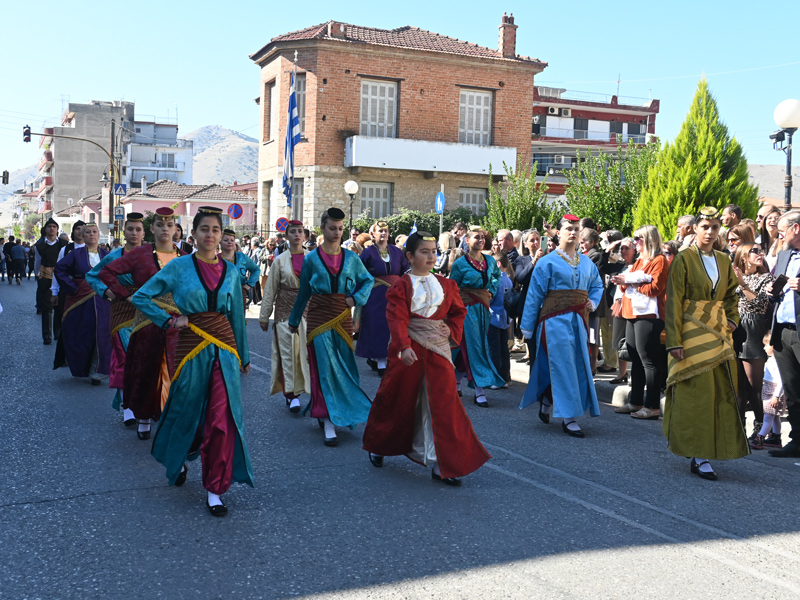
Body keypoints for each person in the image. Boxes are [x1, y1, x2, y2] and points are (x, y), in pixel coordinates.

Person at [130, 206, 252, 517]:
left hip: (225, 350)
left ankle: (215, 488)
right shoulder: (179, 266)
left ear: (222, 235)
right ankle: (180, 455)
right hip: (191, 348)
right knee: (187, 412)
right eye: (204, 229)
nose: (210, 235)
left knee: (222, 417)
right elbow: (142, 296)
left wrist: (244, 355)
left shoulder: (232, 272)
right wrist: (169, 320)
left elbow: (237, 316)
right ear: (193, 233)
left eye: (215, 230)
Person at [362, 231, 489, 485]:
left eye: (433, 252)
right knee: (397, 399)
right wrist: (403, 346)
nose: (431, 256)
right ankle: (380, 444)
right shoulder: (401, 286)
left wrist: (450, 330)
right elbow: (397, 318)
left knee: (444, 404)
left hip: (438, 351)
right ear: (410, 256)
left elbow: (458, 311)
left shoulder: (446, 285)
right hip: (409, 351)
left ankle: (443, 463)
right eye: (424, 252)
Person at [664, 206, 748, 480]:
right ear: (695, 229)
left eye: (715, 228)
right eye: (705, 227)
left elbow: (732, 295)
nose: (710, 232)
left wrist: (732, 320)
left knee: (719, 392)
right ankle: (698, 453)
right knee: (696, 394)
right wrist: (674, 341)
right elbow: (674, 301)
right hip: (690, 333)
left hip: (719, 333)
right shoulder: (684, 258)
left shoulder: (724, 259)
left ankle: (711, 449)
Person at [288, 207, 374, 446]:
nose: (337, 232)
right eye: (332, 228)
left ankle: (343, 410)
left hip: (343, 317)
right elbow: (304, 292)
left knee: (345, 367)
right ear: (322, 229)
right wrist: (294, 320)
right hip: (318, 318)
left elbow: (367, 280)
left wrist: (355, 299)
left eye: (340, 228)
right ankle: (327, 419)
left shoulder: (352, 258)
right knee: (324, 368)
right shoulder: (311, 259)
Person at [98, 207, 186, 440]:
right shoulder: (140, 254)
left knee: (175, 370)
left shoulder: (185, 257)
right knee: (146, 367)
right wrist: (124, 294)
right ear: (152, 229)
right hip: (146, 319)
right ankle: (144, 417)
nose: (165, 229)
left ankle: (170, 415)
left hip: (178, 321)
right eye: (160, 225)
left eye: (170, 225)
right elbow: (106, 272)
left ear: (176, 229)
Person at [520, 215, 604, 437]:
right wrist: (527, 326)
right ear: (558, 233)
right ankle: (569, 416)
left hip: (578, 321)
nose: (573, 232)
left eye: (576, 229)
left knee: (574, 365)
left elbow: (597, 285)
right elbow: (534, 295)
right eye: (569, 228)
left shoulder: (586, 262)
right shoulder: (547, 262)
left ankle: (547, 400)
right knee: (563, 364)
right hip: (553, 322)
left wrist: (593, 301)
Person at [86, 212, 145, 425]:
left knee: (144, 359)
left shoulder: (152, 255)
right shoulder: (114, 256)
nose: (134, 233)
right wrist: (107, 292)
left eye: (138, 229)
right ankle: (127, 407)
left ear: (144, 233)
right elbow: (92, 275)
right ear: (124, 232)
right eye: (130, 229)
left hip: (147, 311)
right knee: (123, 357)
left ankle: (145, 402)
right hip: (121, 311)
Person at [611, 225, 668, 420]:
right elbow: (625, 286)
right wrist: (627, 282)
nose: (635, 242)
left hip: (649, 316)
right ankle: (635, 401)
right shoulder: (639, 261)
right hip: (632, 314)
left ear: (649, 239)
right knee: (635, 358)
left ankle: (652, 406)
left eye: (638, 238)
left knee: (649, 361)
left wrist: (633, 283)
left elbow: (655, 288)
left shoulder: (659, 260)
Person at [449, 227, 506, 406]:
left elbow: (496, 276)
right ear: (467, 240)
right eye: (476, 237)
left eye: (482, 237)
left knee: (471, 345)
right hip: (466, 310)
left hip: (483, 308)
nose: (481, 240)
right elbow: (452, 287)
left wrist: (491, 291)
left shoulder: (490, 260)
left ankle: (457, 382)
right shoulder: (460, 264)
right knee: (475, 346)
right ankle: (479, 389)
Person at [259, 220, 310, 413]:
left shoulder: (312, 258)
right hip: (284, 312)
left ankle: (308, 389)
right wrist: (264, 316)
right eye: (293, 231)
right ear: (287, 236)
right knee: (288, 353)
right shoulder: (280, 260)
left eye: (300, 231)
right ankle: (291, 395)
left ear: (304, 235)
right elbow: (270, 289)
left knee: (305, 354)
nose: (297, 235)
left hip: (308, 312)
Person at [54, 223, 111, 385]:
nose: (91, 234)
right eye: (88, 232)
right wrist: (72, 287)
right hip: (80, 300)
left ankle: (97, 371)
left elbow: (117, 273)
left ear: (99, 235)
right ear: (83, 236)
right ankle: (81, 367)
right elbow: (59, 269)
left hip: (103, 300)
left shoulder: (107, 255)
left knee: (102, 334)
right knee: (81, 333)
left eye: (94, 232)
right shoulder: (75, 254)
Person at [356, 220, 410, 376]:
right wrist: (359, 295)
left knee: (392, 326)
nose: (384, 233)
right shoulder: (367, 253)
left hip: (394, 295)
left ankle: (383, 359)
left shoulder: (396, 251)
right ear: (373, 234)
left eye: (386, 230)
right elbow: (359, 274)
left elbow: (405, 270)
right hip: (375, 296)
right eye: (380, 231)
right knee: (377, 327)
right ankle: (380, 362)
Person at [766, 210, 800, 458]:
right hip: (783, 330)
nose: (779, 236)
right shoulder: (785, 254)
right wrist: (772, 291)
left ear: (796, 228)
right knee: (792, 389)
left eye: (782, 231)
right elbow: (778, 289)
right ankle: (797, 440)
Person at [731, 242, 772, 440]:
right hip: (735, 329)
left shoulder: (766, 277)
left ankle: (760, 429)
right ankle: (738, 430)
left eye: (760, 250)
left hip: (754, 329)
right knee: (739, 387)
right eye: (754, 251)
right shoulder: (734, 277)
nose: (760, 253)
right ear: (743, 256)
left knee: (754, 387)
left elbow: (759, 302)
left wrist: (742, 283)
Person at [51, 221, 86, 369]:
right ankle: (65, 357)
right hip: (69, 291)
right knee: (68, 325)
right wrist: (54, 292)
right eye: (77, 229)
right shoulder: (65, 250)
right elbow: (58, 271)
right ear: (73, 231)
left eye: (83, 229)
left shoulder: (94, 250)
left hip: (88, 292)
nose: (80, 231)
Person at [750, 333, 786, 450]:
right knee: (775, 417)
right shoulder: (772, 360)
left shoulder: (778, 362)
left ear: (774, 347)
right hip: (770, 390)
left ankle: (760, 438)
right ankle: (776, 437)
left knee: (768, 417)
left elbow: (781, 380)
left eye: (767, 345)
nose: (764, 348)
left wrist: (776, 396)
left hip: (773, 392)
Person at [34, 219, 67, 344]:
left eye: (54, 226)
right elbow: (37, 263)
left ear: (57, 229)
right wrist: (38, 275)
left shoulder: (64, 244)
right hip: (46, 278)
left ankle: (58, 333)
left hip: (60, 278)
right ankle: (47, 335)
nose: (52, 228)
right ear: (45, 229)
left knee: (59, 306)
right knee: (46, 308)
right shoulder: (39, 246)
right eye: (49, 226)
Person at [579, 228, 604, 374]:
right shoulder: (581, 254)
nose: (581, 245)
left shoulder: (595, 255)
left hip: (593, 299)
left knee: (593, 335)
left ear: (592, 242)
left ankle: (593, 364)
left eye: (584, 242)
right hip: (582, 299)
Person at [488, 251, 514, 386]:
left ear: (498, 264)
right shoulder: (508, 280)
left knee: (494, 348)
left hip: (494, 317)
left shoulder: (495, 280)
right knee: (504, 348)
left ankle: (495, 378)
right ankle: (504, 377)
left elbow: (490, 299)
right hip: (505, 318)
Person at [219, 229, 261, 313]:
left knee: (239, 319)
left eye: (232, 240)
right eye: (226, 240)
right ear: (220, 242)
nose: (229, 242)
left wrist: (249, 284)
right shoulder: (216, 259)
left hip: (239, 295)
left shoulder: (242, 257)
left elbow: (256, 270)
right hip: (221, 296)